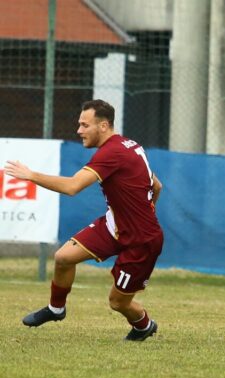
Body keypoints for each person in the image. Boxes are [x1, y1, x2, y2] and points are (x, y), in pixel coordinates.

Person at [4, 99, 163, 341]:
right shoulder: (129, 145)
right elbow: (156, 185)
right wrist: (141, 211)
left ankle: (144, 325)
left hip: (141, 240)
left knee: (118, 302)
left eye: (84, 125)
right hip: (115, 225)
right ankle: (56, 309)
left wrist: (31, 175)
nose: (79, 131)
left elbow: (72, 187)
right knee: (63, 257)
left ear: (103, 126)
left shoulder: (111, 152)